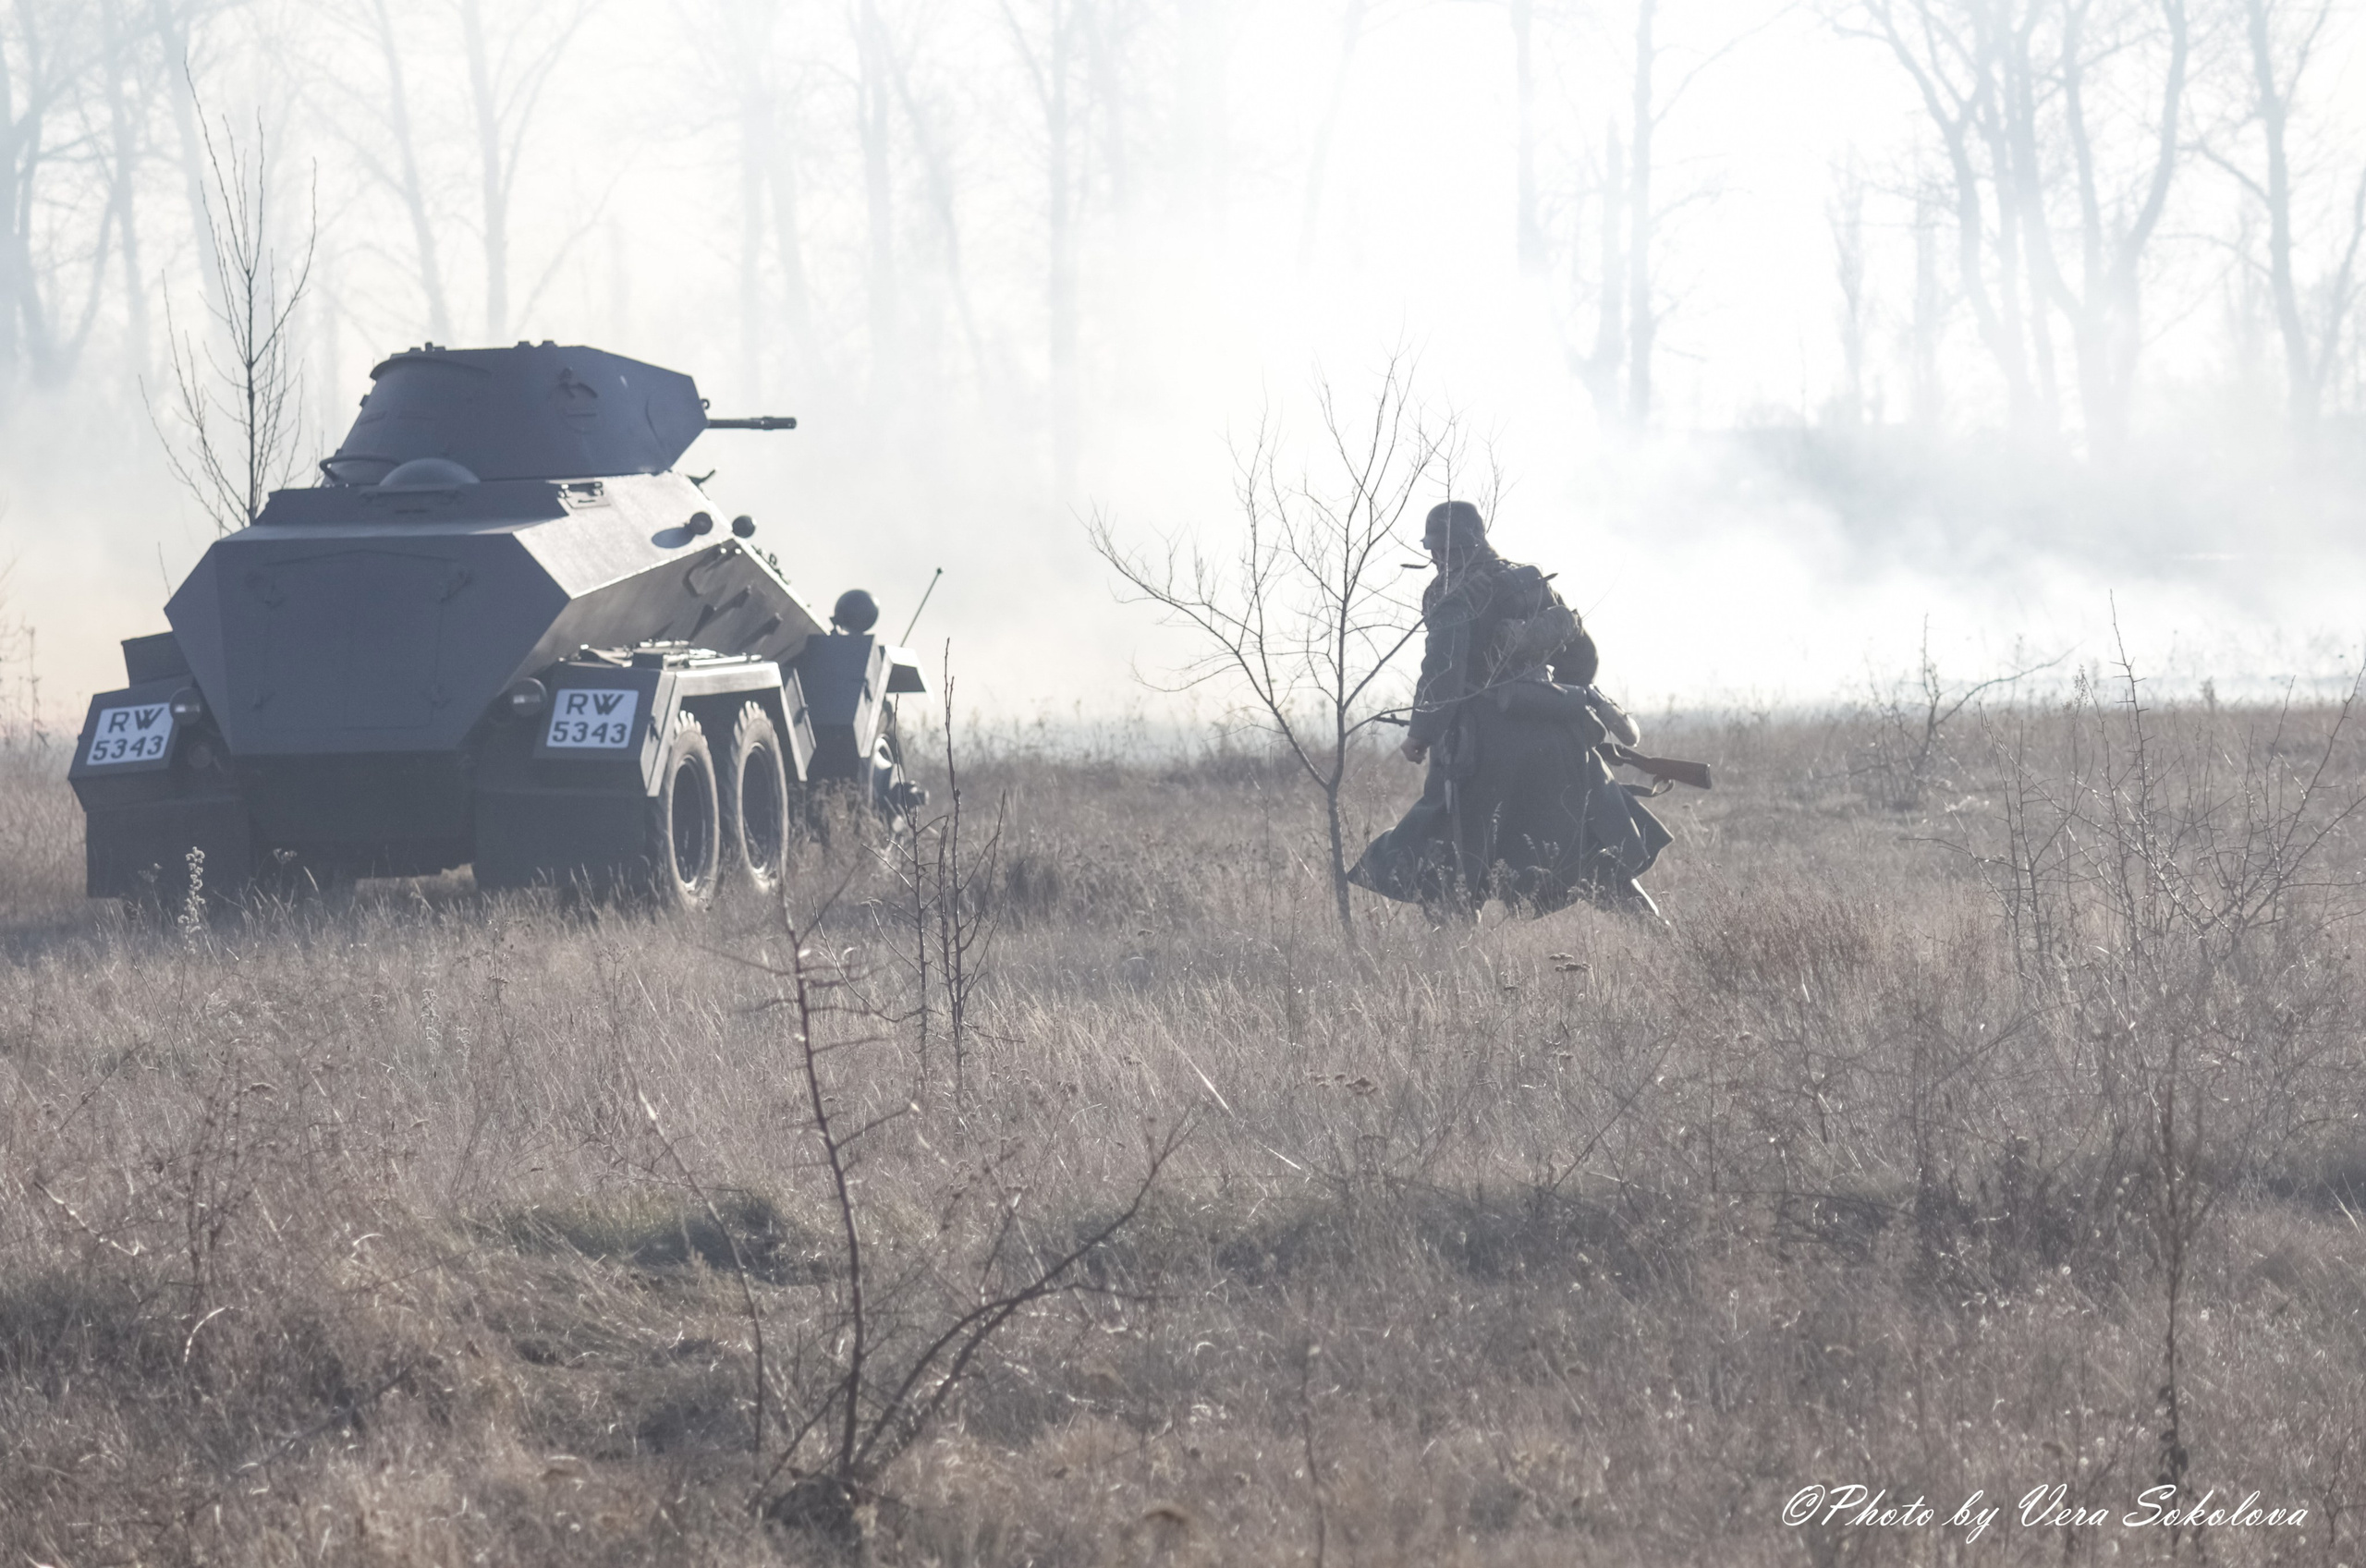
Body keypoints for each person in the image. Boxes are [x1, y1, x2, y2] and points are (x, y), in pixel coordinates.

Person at [1347, 500, 1672, 918]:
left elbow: (1443, 670)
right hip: (1560, 741)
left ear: (1449, 547)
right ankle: (1657, 933)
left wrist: (1420, 734)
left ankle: (1448, 964)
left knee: (1453, 857)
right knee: (1592, 854)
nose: (1438, 558)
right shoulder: (1530, 582)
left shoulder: (1450, 594)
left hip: (1482, 749)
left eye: (1441, 549)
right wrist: (1551, 700)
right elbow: (1583, 657)